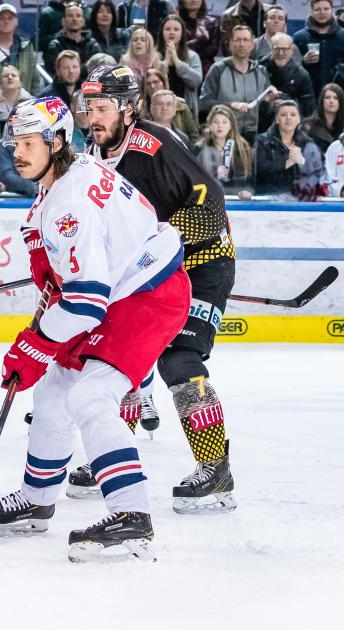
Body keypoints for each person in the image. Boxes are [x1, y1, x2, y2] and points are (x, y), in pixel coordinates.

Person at [0, 96, 188, 562]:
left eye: (30, 143)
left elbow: (86, 301)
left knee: (90, 396)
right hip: (126, 289)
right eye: (15, 142)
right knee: (53, 393)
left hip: (146, 295)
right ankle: (37, 501)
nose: (18, 152)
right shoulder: (67, 177)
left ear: (56, 142)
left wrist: (34, 345)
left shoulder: (68, 205)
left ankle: (132, 515)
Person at [76, 65, 238, 514]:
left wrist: (158, 243)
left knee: (179, 360)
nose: (94, 116)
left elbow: (210, 204)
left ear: (129, 110)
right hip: (151, 269)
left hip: (204, 263)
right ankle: (113, 456)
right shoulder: (93, 149)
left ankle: (215, 469)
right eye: (90, 108)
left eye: (103, 108)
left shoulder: (154, 144)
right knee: (124, 354)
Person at [200, 26, 271, 141]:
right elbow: (204, 103)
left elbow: (266, 105)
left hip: (254, 135)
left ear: (252, 45)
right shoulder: (218, 69)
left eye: (245, 40)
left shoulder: (261, 71)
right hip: (225, 134)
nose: (241, 44)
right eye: (238, 40)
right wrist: (231, 105)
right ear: (231, 44)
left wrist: (271, 101)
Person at [255, 99, 328, 199]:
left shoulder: (308, 143)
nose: (288, 118)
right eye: (283, 115)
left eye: (293, 115)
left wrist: (302, 162)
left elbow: (319, 173)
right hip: (269, 197)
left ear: (298, 119)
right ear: (276, 119)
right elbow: (260, 171)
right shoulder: (262, 141)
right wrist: (287, 162)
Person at [0, 4, 43, 95]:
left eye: (10, 18)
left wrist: (32, 103)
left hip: (23, 105)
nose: (6, 21)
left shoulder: (26, 46)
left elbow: (35, 80)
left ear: (16, 21)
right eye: (2, 18)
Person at [195, 104, 255, 196]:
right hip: (208, 198)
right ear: (210, 125)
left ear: (231, 125)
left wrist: (246, 191)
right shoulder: (199, 148)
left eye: (224, 122)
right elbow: (194, 178)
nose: (220, 126)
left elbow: (248, 179)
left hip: (236, 198)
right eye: (215, 122)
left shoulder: (242, 148)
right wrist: (215, 173)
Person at [292, 0, 344, 95]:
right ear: (311, 11)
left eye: (326, 9)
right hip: (308, 96)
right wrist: (303, 61)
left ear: (332, 10)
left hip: (339, 98)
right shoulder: (299, 37)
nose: (322, 12)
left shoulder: (343, 36)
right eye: (318, 9)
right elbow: (290, 71)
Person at [261, 33, 314, 122]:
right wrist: (267, 103)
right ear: (271, 49)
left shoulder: (301, 74)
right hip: (262, 122)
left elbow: (308, 108)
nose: (281, 53)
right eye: (277, 49)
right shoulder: (259, 69)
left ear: (291, 50)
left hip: (291, 123)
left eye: (284, 49)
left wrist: (285, 103)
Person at [44, 1, 102, 78]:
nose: (74, 19)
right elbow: (57, 73)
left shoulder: (92, 44)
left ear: (83, 21)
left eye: (78, 16)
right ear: (63, 21)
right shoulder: (56, 45)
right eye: (70, 16)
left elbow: (100, 70)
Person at [159, 15, 203, 114]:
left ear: (182, 33)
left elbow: (196, 81)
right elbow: (151, 83)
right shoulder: (154, 55)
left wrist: (176, 61)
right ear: (162, 32)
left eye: (176, 29)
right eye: (168, 29)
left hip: (185, 110)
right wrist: (165, 62)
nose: (171, 32)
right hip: (160, 110)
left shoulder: (192, 56)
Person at [178, 0, 220, 78]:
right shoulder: (176, 23)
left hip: (206, 71)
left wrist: (191, 46)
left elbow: (212, 51)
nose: (192, 0)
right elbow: (178, 48)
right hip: (181, 68)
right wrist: (200, 41)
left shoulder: (212, 22)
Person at [299, 83, 344, 153]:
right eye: (327, 97)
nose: (331, 101)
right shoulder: (308, 126)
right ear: (322, 100)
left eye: (336, 98)